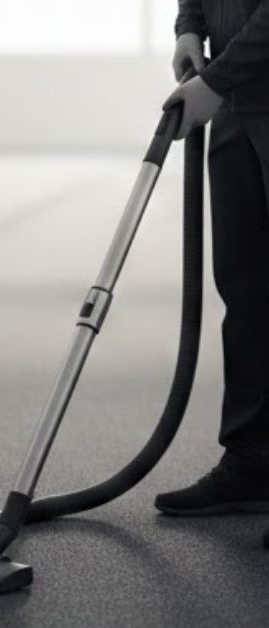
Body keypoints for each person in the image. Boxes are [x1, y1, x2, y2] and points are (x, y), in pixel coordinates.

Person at [155, 1, 269, 516]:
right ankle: (254, 460)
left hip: (234, 82)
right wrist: (189, 28)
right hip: (234, 100)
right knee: (245, 289)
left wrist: (215, 81)